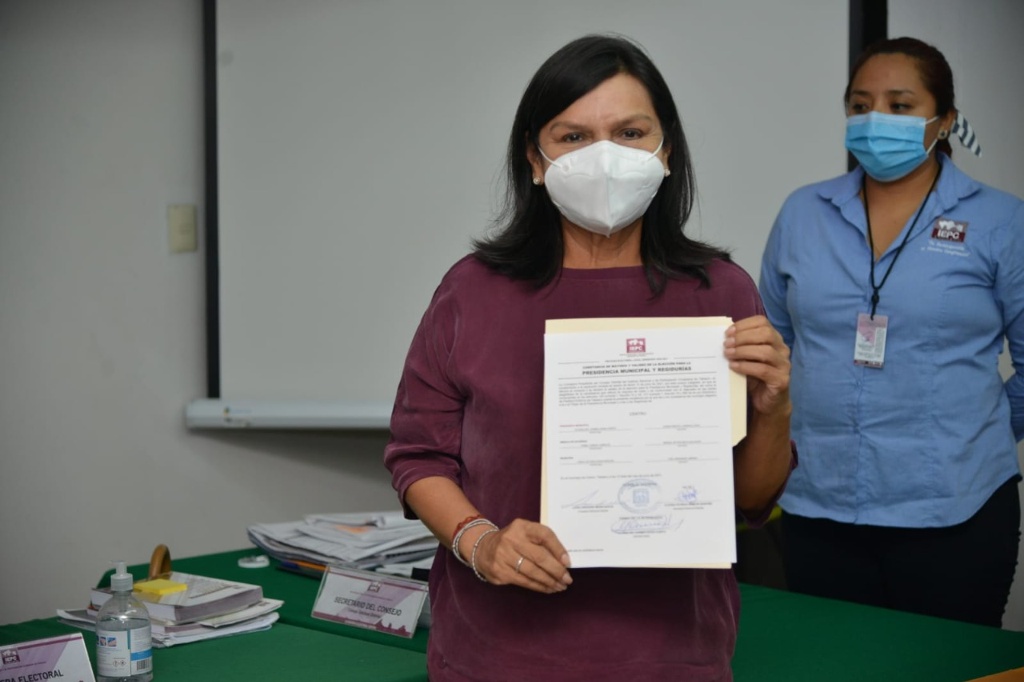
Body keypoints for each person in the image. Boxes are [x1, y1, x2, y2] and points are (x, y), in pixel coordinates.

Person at [384, 34, 794, 681]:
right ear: (535, 158)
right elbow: (418, 456)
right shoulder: (473, 290)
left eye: (630, 133)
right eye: (573, 136)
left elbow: (749, 500)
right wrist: (481, 543)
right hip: (496, 653)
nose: (605, 157)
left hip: (672, 654)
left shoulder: (720, 293)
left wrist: (775, 407)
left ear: (666, 151)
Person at [759, 36, 1024, 627]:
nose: (876, 118)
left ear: (944, 119)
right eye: (861, 105)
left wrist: (967, 433)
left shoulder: (1001, 221)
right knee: (834, 661)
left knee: (951, 664)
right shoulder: (803, 213)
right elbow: (773, 348)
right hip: (817, 502)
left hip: (955, 508)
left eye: (900, 105)